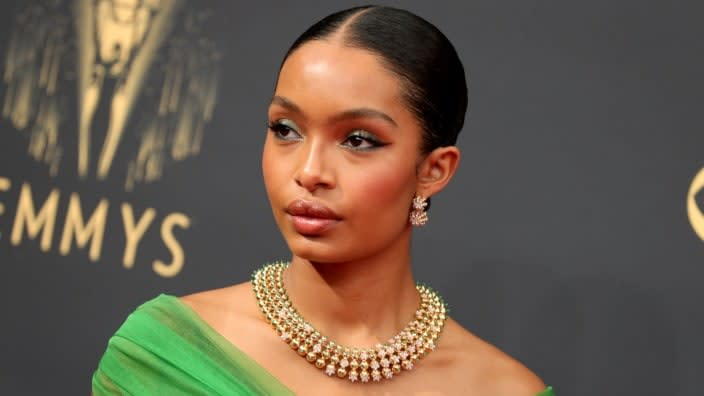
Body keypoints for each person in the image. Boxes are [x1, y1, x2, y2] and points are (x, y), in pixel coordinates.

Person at [92, 5, 555, 395]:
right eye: (285, 130)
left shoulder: (504, 388)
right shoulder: (164, 357)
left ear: (433, 171)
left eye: (357, 139)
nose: (309, 172)